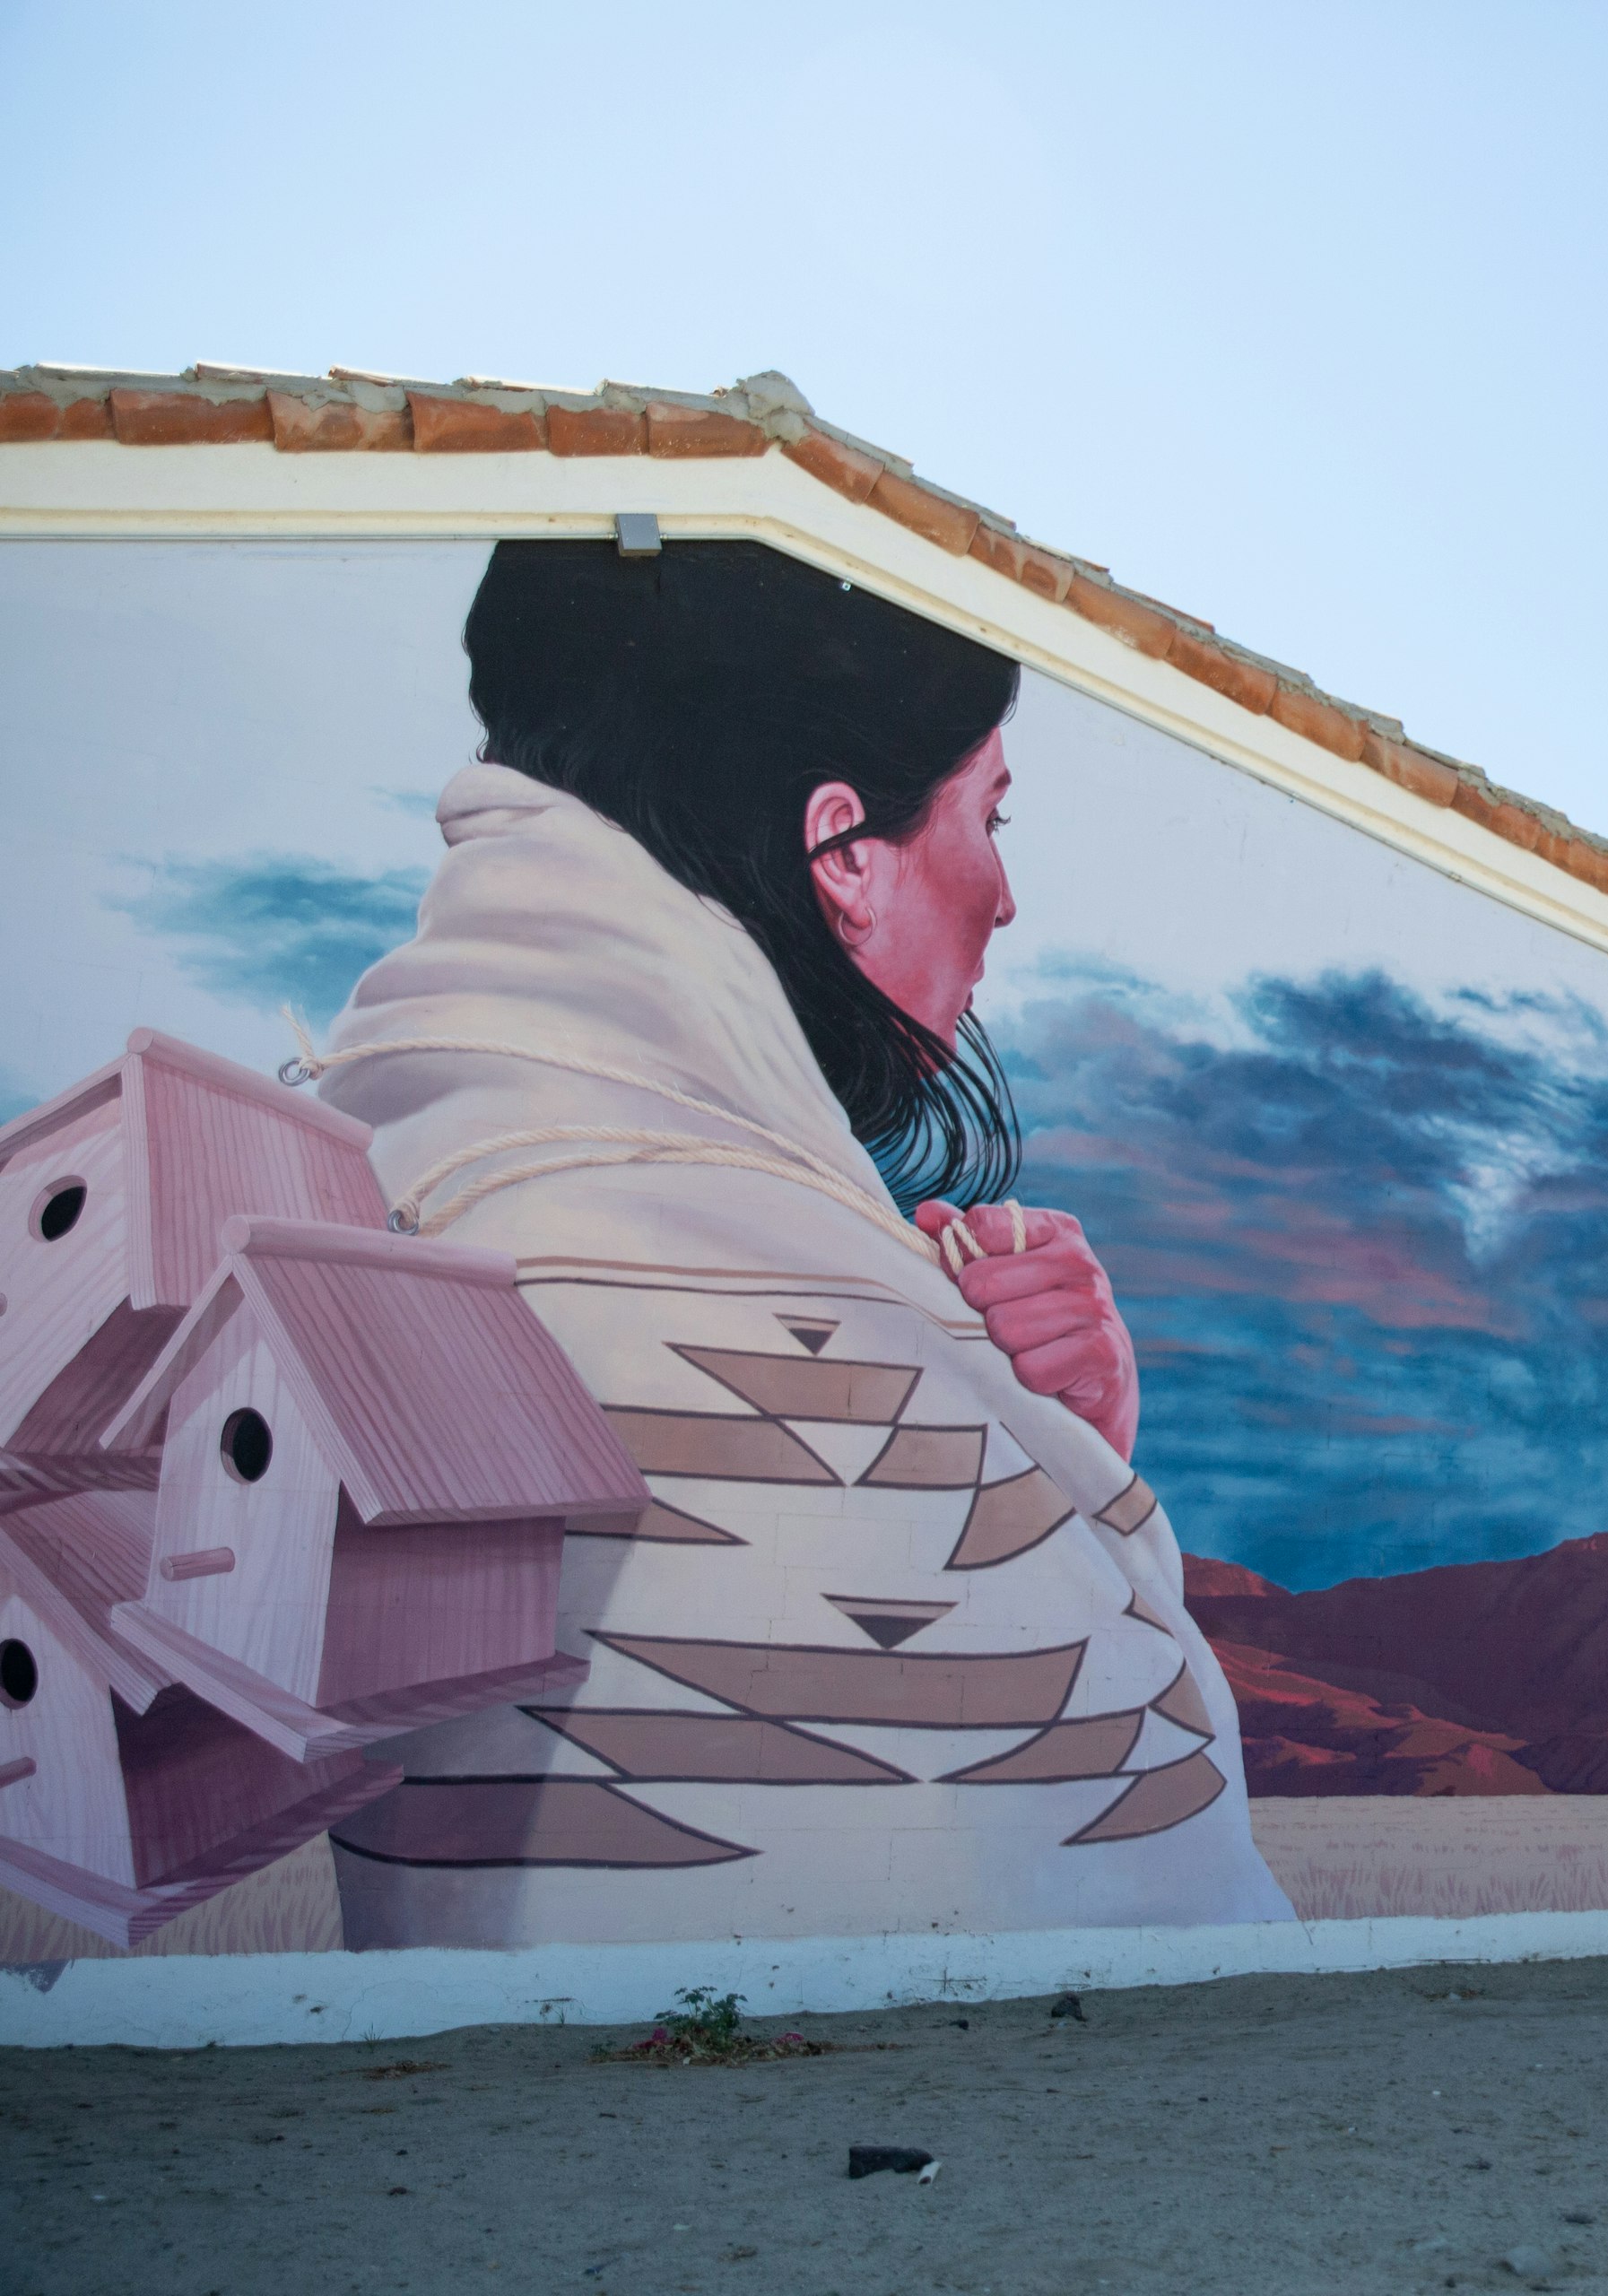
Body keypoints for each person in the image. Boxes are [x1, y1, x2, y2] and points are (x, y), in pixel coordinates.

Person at [313, 539, 1290, 1946]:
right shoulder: (841, 1358)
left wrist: (1038, 1420)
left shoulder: (363, 1202)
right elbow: (1167, 1937)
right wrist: (1032, 1456)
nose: (1004, 898)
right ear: (842, 850)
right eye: (990, 818)